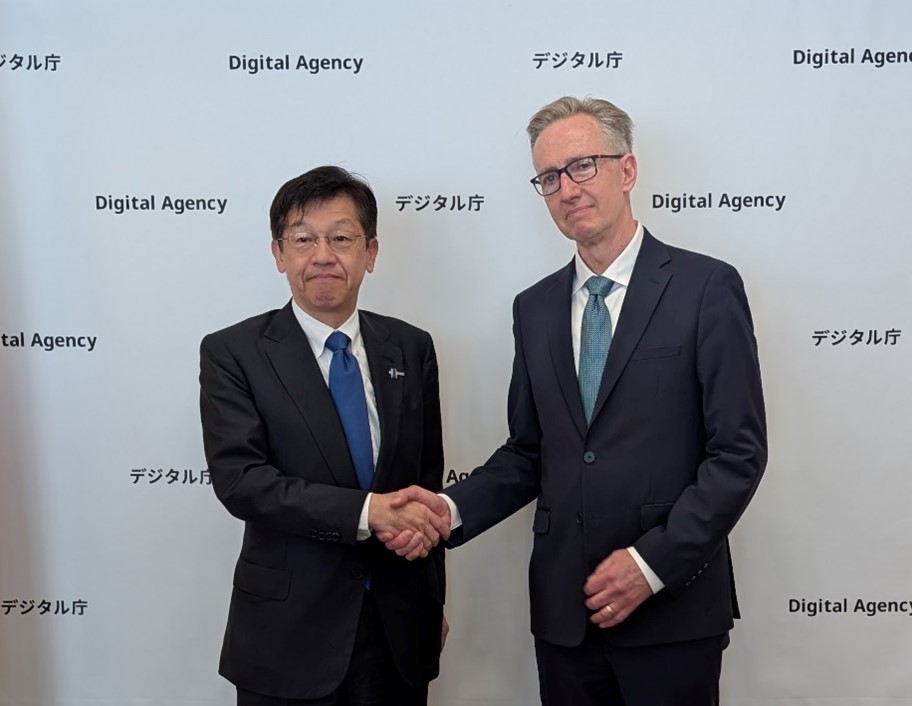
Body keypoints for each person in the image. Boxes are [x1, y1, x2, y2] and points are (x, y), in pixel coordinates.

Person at [388, 97, 767, 705]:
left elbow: (738, 455)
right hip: (565, 618)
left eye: (583, 165)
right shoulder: (533, 308)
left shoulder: (706, 288)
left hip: (671, 612)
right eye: (549, 177)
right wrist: (444, 511)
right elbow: (529, 453)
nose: (567, 188)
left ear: (628, 170)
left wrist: (649, 564)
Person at [199, 165, 449, 706]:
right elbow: (242, 482)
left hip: (397, 633)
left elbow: (425, 490)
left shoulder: (411, 347)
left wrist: (432, 603)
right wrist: (368, 513)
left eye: (341, 238)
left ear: (371, 252)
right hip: (288, 636)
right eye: (303, 239)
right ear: (278, 254)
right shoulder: (233, 353)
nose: (322, 255)